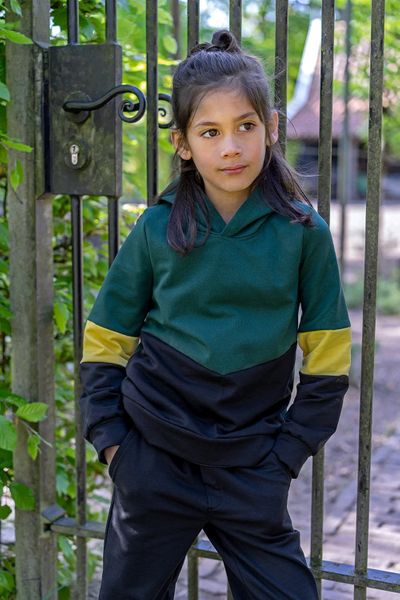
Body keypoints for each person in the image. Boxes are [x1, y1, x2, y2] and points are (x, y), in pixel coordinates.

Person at [79, 29, 351, 600]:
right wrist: (116, 447)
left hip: (252, 467)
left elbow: (328, 362)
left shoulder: (304, 234)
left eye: (245, 127)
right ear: (183, 143)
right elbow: (106, 342)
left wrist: (283, 458)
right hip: (152, 462)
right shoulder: (156, 229)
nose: (231, 147)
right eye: (211, 132)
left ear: (272, 128)